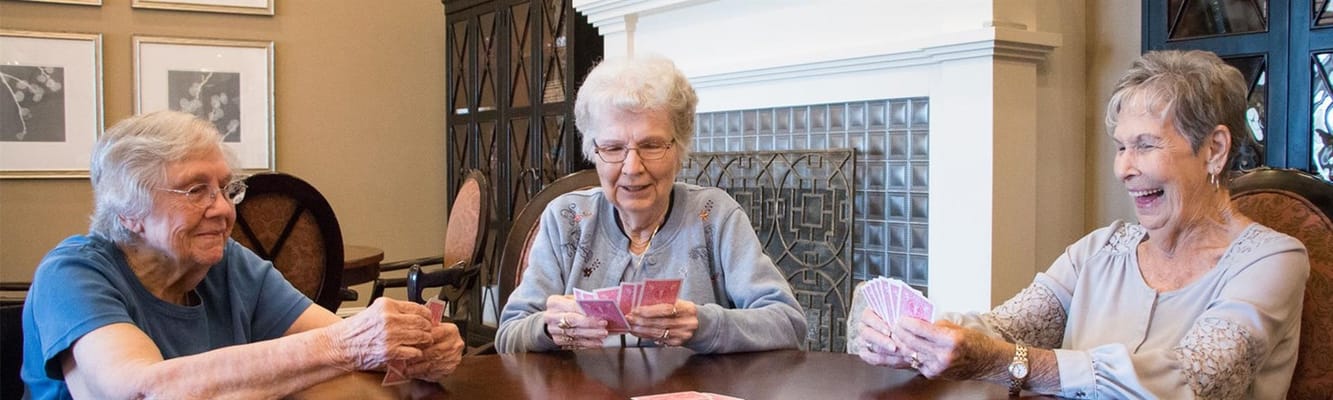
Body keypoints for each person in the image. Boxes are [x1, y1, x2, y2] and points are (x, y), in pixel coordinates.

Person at [850, 50, 1310, 398]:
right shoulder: (1099, 250)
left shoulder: (1274, 259)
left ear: (1214, 149)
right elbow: (1006, 329)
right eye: (1120, 147)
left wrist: (1010, 363)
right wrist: (918, 335)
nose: (1123, 168)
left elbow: (1194, 378)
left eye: (1145, 145)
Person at [20, 110, 464, 399]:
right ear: (130, 212)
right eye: (197, 190)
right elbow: (138, 390)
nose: (224, 208)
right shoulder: (73, 273)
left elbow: (346, 347)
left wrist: (413, 348)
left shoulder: (223, 263)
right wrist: (348, 343)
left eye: (226, 188)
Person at [495, 55, 807, 353]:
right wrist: (549, 329)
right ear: (594, 151)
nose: (632, 166)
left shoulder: (713, 216)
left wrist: (705, 325)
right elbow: (508, 335)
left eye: (651, 145)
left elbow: (789, 324)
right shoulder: (566, 219)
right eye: (614, 147)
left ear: (679, 149)